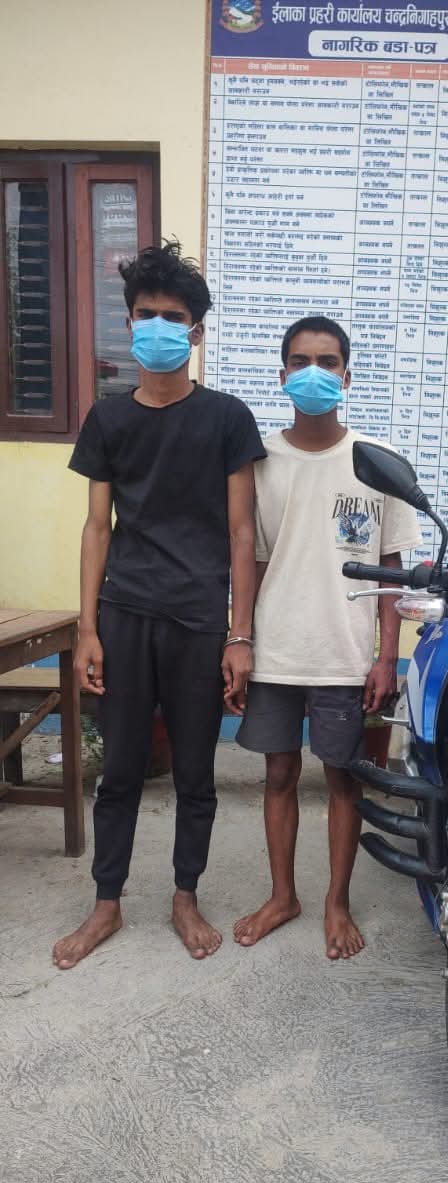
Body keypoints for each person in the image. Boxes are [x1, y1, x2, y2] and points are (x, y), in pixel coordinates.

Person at [52, 240, 265, 970]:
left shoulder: (227, 418)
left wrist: (240, 635)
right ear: (129, 324)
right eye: (147, 314)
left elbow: (242, 533)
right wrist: (87, 629)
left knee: (196, 771)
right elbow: (96, 527)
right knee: (119, 768)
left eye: (175, 318)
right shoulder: (108, 420)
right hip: (125, 613)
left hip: (199, 619)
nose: (160, 328)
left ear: (196, 332)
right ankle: (106, 902)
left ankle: (185, 896)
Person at [234, 316, 421, 959]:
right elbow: (252, 561)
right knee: (278, 773)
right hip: (277, 650)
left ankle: (336, 902)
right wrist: (239, 641)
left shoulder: (377, 463)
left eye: (328, 361)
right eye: (300, 361)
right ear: (282, 373)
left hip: (344, 654)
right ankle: (283, 895)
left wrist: (387, 656)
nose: (314, 372)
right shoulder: (260, 462)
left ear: (347, 374)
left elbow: (392, 568)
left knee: (343, 780)